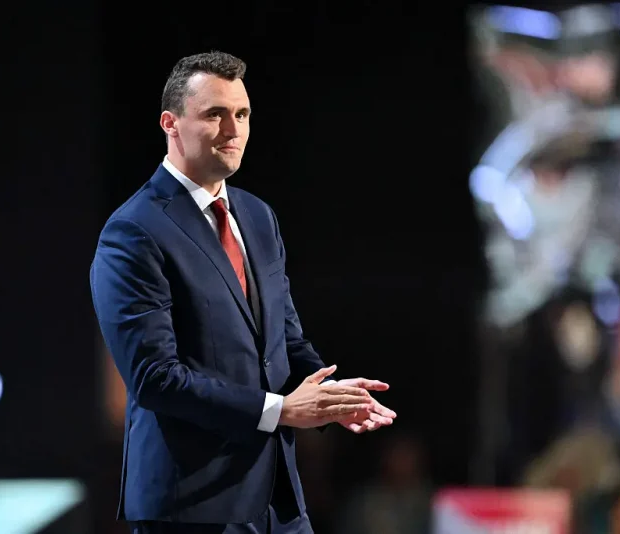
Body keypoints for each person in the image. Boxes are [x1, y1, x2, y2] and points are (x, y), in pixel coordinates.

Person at [90, 51, 396, 534]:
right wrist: (280, 410)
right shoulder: (134, 231)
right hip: (191, 507)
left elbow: (284, 339)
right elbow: (154, 378)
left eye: (242, 114)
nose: (233, 130)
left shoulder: (257, 216)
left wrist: (326, 391)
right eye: (215, 114)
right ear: (171, 123)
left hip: (278, 501)